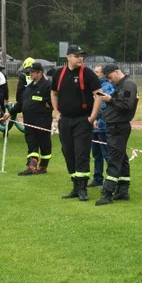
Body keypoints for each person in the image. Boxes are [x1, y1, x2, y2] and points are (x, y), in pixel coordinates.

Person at [51, 45, 102, 201]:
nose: (80, 58)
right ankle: (75, 185)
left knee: (81, 153)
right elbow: (53, 93)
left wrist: (92, 117)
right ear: (68, 57)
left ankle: (82, 188)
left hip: (82, 120)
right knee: (68, 152)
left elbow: (99, 95)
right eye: (77, 55)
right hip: (65, 120)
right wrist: (56, 112)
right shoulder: (59, 73)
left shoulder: (87, 74)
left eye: (82, 56)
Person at [95, 64, 139, 205]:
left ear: (116, 71)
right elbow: (119, 102)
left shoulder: (128, 85)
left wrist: (109, 99)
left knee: (114, 159)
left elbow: (126, 105)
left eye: (109, 77)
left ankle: (107, 193)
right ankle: (123, 190)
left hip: (119, 126)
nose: (109, 81)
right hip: (115, 125)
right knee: (121, 158)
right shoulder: (122, 85)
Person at [4, 62, 54, 175]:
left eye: (32, 72)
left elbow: (55, 100)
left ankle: (43, 166)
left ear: (40, 73)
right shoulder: (29, 87)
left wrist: (49, 105)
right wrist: (10, 112)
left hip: (42, 121)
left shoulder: (47, 86)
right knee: (31, 143)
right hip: (29, 122)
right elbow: (21, 103)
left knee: (44, 144)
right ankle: (31, 167)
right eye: (30, 72)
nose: (30, 74)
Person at [90, 65, 112, 191]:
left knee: (106, 154)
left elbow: (104, 105)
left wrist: (97, 118)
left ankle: (110, 180)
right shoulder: (93, 87)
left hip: (102, 126)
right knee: (96, 154)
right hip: (93, 127)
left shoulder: (107, 87)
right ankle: (97, 178)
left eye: (97, 72)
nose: (94, 74)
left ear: (103, 74)